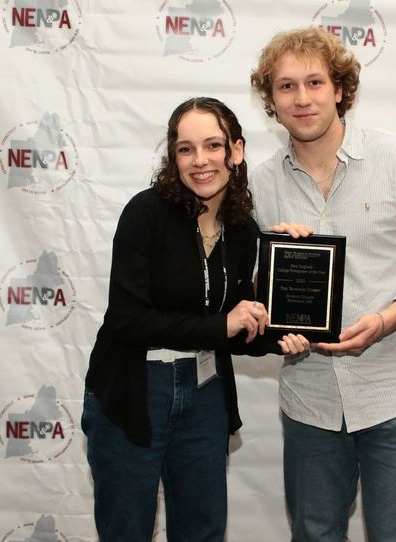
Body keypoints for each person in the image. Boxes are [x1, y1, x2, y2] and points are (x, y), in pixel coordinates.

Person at [249, 27, 396, 542]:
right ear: (270, 102)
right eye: (286, 87)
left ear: (341, 89)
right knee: (315, 533)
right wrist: (272, 315)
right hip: (309, 395)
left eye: (315, 82)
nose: (302, 98)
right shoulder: (258, 184)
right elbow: (251, 287)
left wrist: (390, 317)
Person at [81, 97, 308, 541]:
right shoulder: (145, 213)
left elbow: (243, 326)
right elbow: (128, 320)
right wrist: (221, 326)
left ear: (236, 151)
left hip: (205, 394)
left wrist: (288, 326)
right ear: (173, 157)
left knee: (202, 531)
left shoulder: (244, 229)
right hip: (134, 391)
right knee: (125, 531)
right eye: (186, 149)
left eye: (213, 146)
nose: (200, 161)